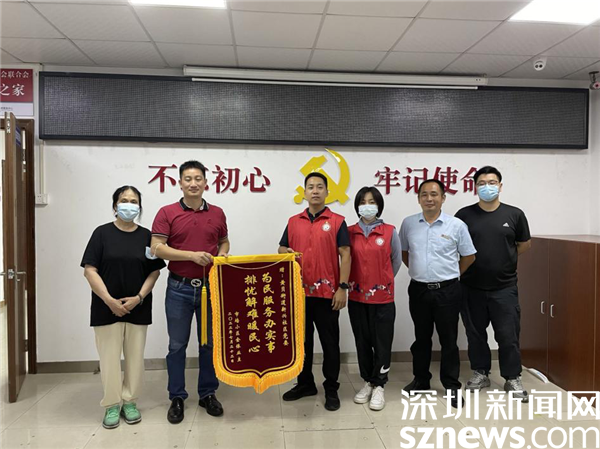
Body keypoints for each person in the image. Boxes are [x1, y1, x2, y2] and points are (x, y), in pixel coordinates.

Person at [150, 160, 230, 424]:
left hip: (210, 288)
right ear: (180, 183)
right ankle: (177, 397)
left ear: (206, 183)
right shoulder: (167, 212)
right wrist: (191, 256)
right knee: (177, 346)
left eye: (198, 179)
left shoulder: (217, 213)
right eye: (188, 179)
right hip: (179, 289)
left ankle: (208, 393)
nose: (193, 183)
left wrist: (223, 254)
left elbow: (223, 241)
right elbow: (157, 248)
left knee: (209, 344)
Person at [82, 186, 165, 429]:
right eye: (124, 200)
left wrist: (138, 297)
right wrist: (109, 300)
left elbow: (154, 271)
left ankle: (130, 402)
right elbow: (90, 270)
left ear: (139, 207)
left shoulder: (147, 236)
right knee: (109, 359)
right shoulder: (101, 233)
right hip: (105, 308)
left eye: (134, 201)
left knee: (135, 359)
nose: (129, 205)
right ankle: (111, 404)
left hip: (138, 307)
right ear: (115, 206)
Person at [456, 166, 531, 401]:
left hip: (504, 287)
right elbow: (457, 247)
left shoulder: (515, 214)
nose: (487, 186)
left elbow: (524, 244)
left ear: (500, 186)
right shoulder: (464, 215)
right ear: (475, 187)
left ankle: (512, 377)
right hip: (471, 286)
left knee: (508, 335)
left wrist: (503, 261)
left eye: (491, 182)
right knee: (475, 334)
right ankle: (480, 372)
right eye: (481, 183)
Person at [399, 179, 476, 408]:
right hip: (419, 289)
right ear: (419, 199)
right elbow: (404, 253)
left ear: (443, 198)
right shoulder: (409, 224)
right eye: (424, 194)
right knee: (421, 338)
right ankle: (421, 380)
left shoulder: (456, 225)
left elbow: (469, 256)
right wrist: (420, 272)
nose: (429, 199)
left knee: (448, 340)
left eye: (434, 194)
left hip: (448, 291)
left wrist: (452, 274)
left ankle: (451, 386)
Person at [278, 172, 351, 411]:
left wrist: (342, 288)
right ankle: (305, 384)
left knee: (330, 344)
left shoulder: (337, 221)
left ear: (327, 192)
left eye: (320, 187)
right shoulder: (293, 221)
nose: (315, 191)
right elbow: (281, 248)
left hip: (328, 294)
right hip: (299, 294)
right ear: (305, 192)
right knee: (302, 342)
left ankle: (331, 388)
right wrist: (285, 251)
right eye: (311, 187)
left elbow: (346, 255)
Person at [347, 186, 401, 411]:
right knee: (362, 342)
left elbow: (396, 261)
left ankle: (380, 384)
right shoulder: (349, 232)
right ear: (357, 206)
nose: (367, 206)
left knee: (382, 343)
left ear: (379, 206)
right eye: (363, 202)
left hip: (383, 300)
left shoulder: (389, 231)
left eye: (372, 202)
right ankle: (368, 382)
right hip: (357, 298)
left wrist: (382, 281)